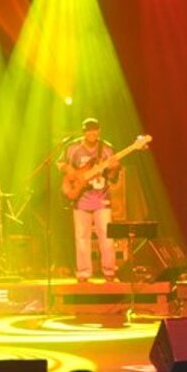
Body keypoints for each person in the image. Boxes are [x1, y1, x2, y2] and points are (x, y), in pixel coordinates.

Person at [57, 117, 120, 282]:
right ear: (83, 132)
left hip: (102, 199)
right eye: (88, 130)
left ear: (99, 131)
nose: (92, 133)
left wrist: (115, 168)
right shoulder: (73, 148)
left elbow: (113, 178)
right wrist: (68, 169)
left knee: (106, 237)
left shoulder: (107, 149)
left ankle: (109, 273)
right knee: (81, 238)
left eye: (95, 129)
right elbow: (60, 163)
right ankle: (84, 274)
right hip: (80, 199)